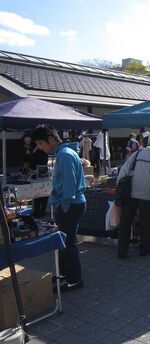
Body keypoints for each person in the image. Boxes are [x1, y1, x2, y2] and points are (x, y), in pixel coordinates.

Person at [32, 125, 86, 292]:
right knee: (63, 242)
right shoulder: (62, 154)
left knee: (68, 243)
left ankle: (75, 280)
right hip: (68, 204)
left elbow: (69, 187)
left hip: (70, 205)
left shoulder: (65, 155)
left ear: (51, 139)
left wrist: (62, 207)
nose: (40, 148)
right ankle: (65, 275)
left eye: (41, 144)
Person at [117, 137, 150, 258]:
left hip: (131, 193)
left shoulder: (138, 153)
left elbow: (125, 170)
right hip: (148, 196)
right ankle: (144, 250)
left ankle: (122, 251)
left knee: (126, 223)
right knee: (146, 223)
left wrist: (119, 185)